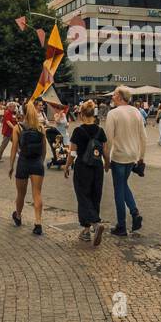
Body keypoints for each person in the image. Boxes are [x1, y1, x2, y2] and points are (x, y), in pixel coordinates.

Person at [103, 85, 145, 237]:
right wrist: (141, 158)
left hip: (119, 156)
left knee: (118, 191)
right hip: (132, 156)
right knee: (123, 185)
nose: (112, 97)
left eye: (114, 95)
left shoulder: (113, 114)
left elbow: (108, 140)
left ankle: (121, 225)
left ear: (120, 97)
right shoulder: (136, 112)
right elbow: (143, 137)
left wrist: (106, 160)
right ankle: (134, 213)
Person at [65, 99, 107, 246]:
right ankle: (86, 231)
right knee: (95, 196)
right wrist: (106, 164)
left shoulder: (78, 131)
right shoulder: (100, 130)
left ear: (82, 114)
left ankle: (95, 224)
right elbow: (105, 150)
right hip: (97, 167)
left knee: (83, 196)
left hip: (82, 167)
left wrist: (66, 166)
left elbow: (72, 152)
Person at [9, 100, 48, 234]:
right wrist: (40, 162)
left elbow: (14, 148)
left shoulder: (18, 128)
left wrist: (11, 166)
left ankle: (18, 215)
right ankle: (38, 222)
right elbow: (44, 149)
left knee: (21, 193)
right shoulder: (41, 128)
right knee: (37, 193)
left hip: (23, 163)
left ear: (23, 113)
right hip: (37, 163)